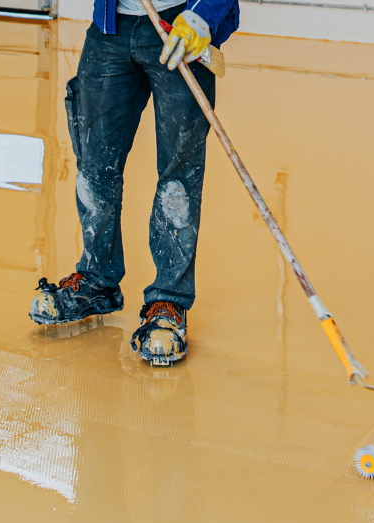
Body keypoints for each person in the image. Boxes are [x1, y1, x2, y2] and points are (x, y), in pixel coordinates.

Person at [29, 0, 240, 366]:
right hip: (111, 30)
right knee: (94, 166)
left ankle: (168, 302)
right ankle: (97, 280)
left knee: (179, 180)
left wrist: (203, 16)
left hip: (181, 24)